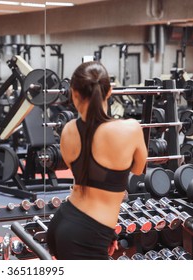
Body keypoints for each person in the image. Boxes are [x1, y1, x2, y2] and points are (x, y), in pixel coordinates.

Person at [46, 61, 148, 260]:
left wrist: (109, 232)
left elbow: (84, 176)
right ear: (110, 92)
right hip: (87, 236)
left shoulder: (68, 130)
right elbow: (138, 169)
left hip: (64, 222)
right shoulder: (131, 129)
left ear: (74, 94)